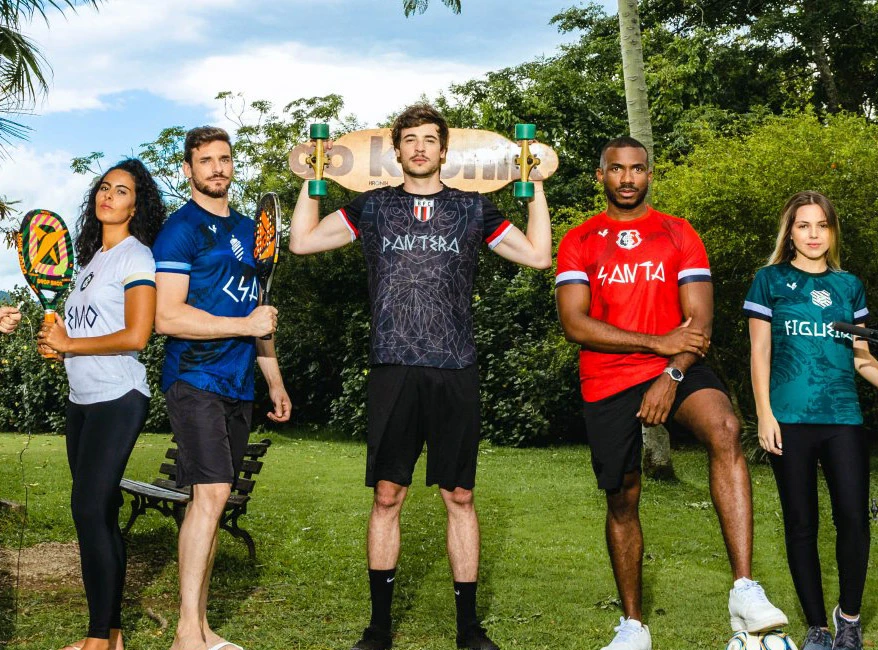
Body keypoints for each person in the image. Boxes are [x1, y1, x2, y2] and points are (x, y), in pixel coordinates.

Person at [289, 104, 552, 650]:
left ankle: (469, 630)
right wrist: (313, 180)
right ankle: (378, 629)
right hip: (394, 364)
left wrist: (537, 188)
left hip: (455, 366)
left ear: (443, 149)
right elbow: (302, 241)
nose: (420, 148)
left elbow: (538, 256)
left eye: (430, 139)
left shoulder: (472, 209)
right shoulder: (373, 207)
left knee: (460, 496)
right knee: (388, 496)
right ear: (397, 149)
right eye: (410, 139)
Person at [555, 137, 787, 650]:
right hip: (608, 376)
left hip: (676, 368)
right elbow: (575, 323)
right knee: (622, 496)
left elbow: (699, 323)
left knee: (725, 427)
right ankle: (633, 626)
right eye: (617, 169)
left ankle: (744, 590)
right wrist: (656, 342)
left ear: (649, 175)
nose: (628, 178)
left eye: (638, 169)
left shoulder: (679, 233)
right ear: (600, 176)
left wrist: (671, 373)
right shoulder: (579, 239)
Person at [152, 126, 292, 650]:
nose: (217, 168)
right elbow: (167, 317)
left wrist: (274, 380)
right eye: (206, 160)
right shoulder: (180, 230)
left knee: (212, 500)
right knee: (211, 493)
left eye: (224, 159)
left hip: (238, 382)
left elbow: (258, 315)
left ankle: (202, 627)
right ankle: (186, 634)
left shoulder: (250, 231)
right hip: (194, 377)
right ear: (188, 169)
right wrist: (245, 325)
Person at [744, 191, 878, 650]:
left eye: (822, 225)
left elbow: (862, 359)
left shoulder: (849, 287)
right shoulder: (770, 281)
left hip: (842, 418)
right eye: (803, 225)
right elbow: (760, 352)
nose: (814, 235)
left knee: (853, 519)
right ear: (790, 232)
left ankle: (848, 619)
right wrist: (764, 414)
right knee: (801, 524)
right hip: (788, 419)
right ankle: (816, 626)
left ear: (832, 231)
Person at [37, 159, 165, 650]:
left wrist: (70, 344)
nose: (109, 195)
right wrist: (59, 343)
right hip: (81, 401)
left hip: (117, 397)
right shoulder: (89, 265)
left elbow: (137, 335)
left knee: (88, 509)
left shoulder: (137, 257)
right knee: (101, 515)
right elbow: (81, 334)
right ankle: (111, 634)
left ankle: (96, 641)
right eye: (105, 187)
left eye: (122, 191)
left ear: (136, 206)